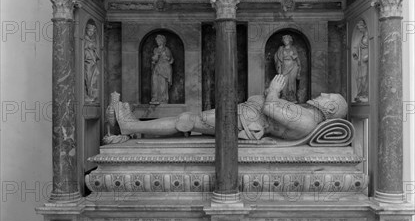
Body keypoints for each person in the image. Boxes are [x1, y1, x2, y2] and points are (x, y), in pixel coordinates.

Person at [114, 74, 348, 142]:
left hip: (245, 121)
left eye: (326, 96)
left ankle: (130, 125)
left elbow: (271, 110)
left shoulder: (308, 121)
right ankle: (133, 125)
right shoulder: (307, 115)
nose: (321, 94)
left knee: (187, 120)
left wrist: (274, 90)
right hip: (246, 115)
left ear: (330, 106)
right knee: (189, 119)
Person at [274, 35, 301, 103]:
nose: (285, 41)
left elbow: (297, 58)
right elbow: (277, 58)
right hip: (284, 66)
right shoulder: (281, 49)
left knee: (292, 82)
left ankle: (292, 97)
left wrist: (299, 69)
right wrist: (278, 65)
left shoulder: (293, 48)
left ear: (290, 41)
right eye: (284, 40)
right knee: (284, 81)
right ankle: (284, 96)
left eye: (287, 40)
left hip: (293, 65)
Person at [150, 34, 174, 104]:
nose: (157, 42)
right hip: (157, 68)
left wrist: (166, 57)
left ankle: (163, 99)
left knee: (163, 84)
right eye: (157, 40)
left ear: (162, 41)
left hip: (164, 69)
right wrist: (154, 59)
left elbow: (171, 59)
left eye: (158, 40)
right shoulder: (156, 49)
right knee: (154, 83)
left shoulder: (166, 49)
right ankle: (155, 98)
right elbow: (154, 59)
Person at [352, 20, 369, 103]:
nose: (359, 29)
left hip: (366, 61)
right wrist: (356, 55)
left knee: (365, 77)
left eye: (360, 27)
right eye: (358, 28)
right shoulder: (362, 37)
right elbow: (358, 48)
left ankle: (365, 94)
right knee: (358, 78)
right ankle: (360, 94)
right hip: (360, 61)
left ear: (364, 26)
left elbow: (373, 47)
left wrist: (368, 56)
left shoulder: (369, 36)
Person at [84, 23, 100, 103]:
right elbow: (83, 46)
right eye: (89, 31)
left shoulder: (92, 40)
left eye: (92, 31)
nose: (91, 33)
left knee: (94, 75)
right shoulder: (84, 39)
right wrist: (88, 45)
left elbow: (95, 50)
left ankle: (90, 94)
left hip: (92, 61)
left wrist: (93, 48)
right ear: (86, 30)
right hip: (87, 61)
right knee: (88, 77)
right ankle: (88, 94)